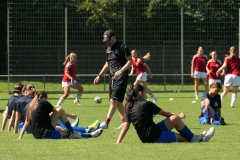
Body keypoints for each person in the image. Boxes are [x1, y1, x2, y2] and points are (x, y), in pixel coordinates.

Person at [116, 84, 215, 144]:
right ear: (140, 93)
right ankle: (199, 139)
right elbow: (164, 113)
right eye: (145, 93)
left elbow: (125, 127)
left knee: (175, 119)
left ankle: (195, 137)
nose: (146, 95)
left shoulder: (128, 107)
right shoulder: (146, 104)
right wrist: (178, 116)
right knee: (183, 138)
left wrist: (118, 142)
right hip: (153, 137)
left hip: (149, 134)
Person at [18, 91, 103, 139]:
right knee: (67, 133)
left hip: (36, 134)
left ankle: (86, 130)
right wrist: (70, 116)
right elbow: (56, 112)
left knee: (60, 126)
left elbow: (26, 122)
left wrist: (20, 137)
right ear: (44, 98)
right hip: (46, 134)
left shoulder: (31, 105)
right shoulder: (44, 103)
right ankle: (90, 135)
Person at [94, 30, 132, 129]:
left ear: (114, 37)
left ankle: (106, 123)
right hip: (112, 78)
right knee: (118, 103)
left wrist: (121, 71)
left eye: (108, 40)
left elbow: (130, 61)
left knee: (113, 101)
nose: (107, 42)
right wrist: (99, 75)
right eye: (105, 41)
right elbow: (107, 64)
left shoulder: (123, 47)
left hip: (121, 78)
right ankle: (125, 122)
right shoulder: (108, 49)